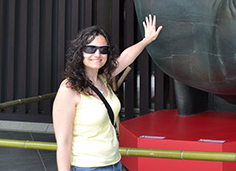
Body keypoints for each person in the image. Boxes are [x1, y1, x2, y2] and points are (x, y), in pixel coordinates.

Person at [52, 14, 162, 171]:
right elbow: (63, 142)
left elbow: (126, 57)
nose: (97, 54)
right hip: (88, 166)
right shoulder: (69, 89)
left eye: (103, 50)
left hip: (114, 162)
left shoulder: (102, 78)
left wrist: (147, 40)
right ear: (80, 52)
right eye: (91, 49)